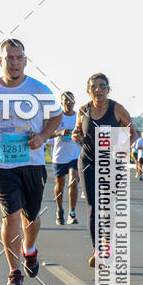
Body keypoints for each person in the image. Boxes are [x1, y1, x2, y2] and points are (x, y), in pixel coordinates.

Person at [0, 38, 62, 285]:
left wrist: (42, 137)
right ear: (0, 61)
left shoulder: (38, 89)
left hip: (32, 163)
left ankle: (29, 248)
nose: (14, 63)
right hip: (2, 165)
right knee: (10, 215)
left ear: (24, 60)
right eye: (9, 58)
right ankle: (14, 272)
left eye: (18, 58)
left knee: (31, 217)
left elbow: (56, 116)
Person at [73, 73, 135, 267]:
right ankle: (98, 250)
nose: (98, 90)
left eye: (102, 86)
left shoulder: (117, 109)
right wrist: (76, 135)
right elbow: (77, 131)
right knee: (93, 205)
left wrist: (123, 149)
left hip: (111, 162)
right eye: (94, 87)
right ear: (88, 90)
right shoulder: (83, 110)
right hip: (88, 160)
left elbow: (133, 133)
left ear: (108, 89)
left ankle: (107, 245)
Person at [50, 91, 81, 225]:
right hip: (59, 156)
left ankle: (72, 212)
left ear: (74, 102)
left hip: (75, 155)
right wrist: (59, 133)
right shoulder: (56, 117)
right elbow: (46, 134)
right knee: (60, 184)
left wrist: (81, 138)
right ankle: (59, 209)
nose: (69, 102)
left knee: (73, 181)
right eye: (66, 100)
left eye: (71, 100)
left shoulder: (79, 117)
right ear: (61, 103)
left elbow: (85, 133)